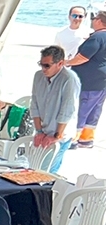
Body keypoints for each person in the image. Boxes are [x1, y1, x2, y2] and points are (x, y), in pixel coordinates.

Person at [30, 45, 80, 173]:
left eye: (47, 66)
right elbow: (34, 104)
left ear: (60, 63)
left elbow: (67, 110)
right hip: (44, 130)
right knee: (34, 170)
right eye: (41, 64)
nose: (43, 69)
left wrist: (57, 136)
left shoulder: (69, 79)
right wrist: (39, 131)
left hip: (61, 134)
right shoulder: (38, 76)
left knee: (49, 173)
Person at [69, 10, 106, 148]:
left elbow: (83, 57)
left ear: (98, 21)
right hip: (102, 81)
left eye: (93, 18)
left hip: (89, 80)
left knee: (82, 107)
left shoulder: (97, 37)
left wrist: (66, 62)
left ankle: (73, 138)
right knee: (95, 109)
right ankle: (86, 138)